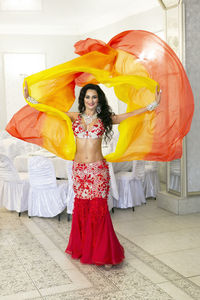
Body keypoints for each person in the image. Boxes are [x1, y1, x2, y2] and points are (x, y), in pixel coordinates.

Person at [24, 82, 161, 269]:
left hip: (97, 170)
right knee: (82, 209)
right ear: (83, 99)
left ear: (99, 99)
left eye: (94, 97)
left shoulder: (105, 118)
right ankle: (84, 249)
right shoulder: (75, 117)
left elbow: (126, 116)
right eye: (87, 97)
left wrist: (151, 106)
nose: (91, 100)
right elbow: (52, 112)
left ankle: (103, 254)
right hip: (79, 169)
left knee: (99, 210)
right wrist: (31, 101)